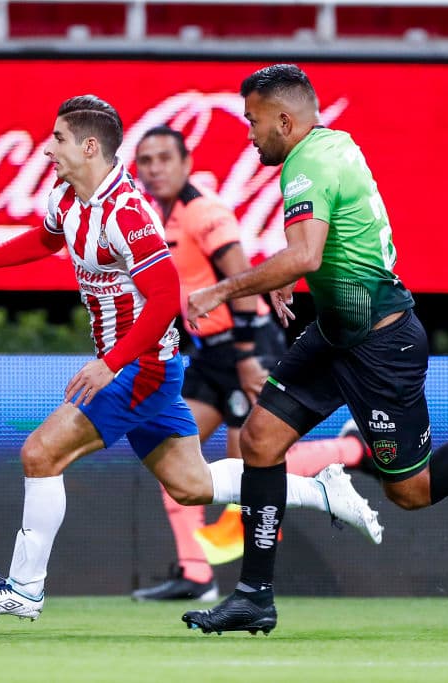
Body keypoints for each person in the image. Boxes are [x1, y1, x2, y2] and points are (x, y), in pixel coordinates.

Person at [180, 64, 448, 635]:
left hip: (382, 345)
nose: (249, 133)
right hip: (338, 334)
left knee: (411, 492)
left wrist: (223, 287)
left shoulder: (307, 165)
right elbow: (322, 247)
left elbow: (309, 255)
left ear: (285, 121)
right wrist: (287, 269)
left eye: (254, 122)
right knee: (261, 439)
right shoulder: (330, 146)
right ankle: (254, 597)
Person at [0, 94, 383, 621]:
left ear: (87, 146)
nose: (46, 150)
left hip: (139, 368)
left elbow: (165, 299)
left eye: (57, 139)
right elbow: (44, 239)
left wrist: (112, 363)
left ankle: (23, 590)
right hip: (143, 366)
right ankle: (321, 491)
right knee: (191, 486)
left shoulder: (128, 213)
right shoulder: (69, 200)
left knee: (40, 454)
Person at [129, 126, 378, 602]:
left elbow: (241, 281)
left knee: (255, 458)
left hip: (245, 346)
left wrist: (246, 357)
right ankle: (196, 573)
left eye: (164, 158)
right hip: (207, 355)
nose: (154, 168)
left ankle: (349, 452)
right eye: (146, 160)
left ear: (186, 164)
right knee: (172, 453)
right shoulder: (159, 216)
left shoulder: (204, 212)